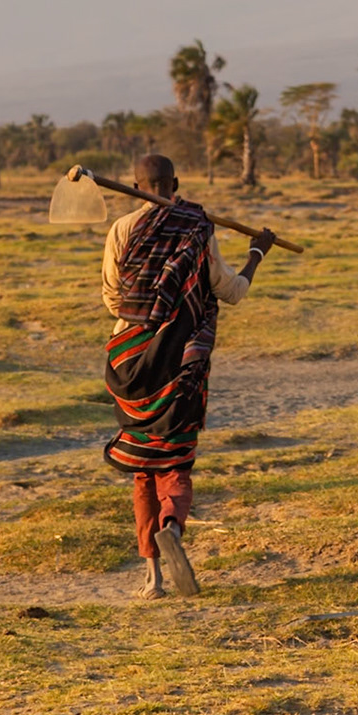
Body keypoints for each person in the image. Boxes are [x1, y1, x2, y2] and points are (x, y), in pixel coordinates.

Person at [100, 153, 275, 599]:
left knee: (143, 469)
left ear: (136, 184)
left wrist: (148, 310)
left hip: (130, 362)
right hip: (179, 361)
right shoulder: (197, 227)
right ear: (174, 182)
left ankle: (153, 579)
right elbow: (230, 291)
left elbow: (111, 299)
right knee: (175, 461)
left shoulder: (121, 230)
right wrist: (257, 254)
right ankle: (172, 528)